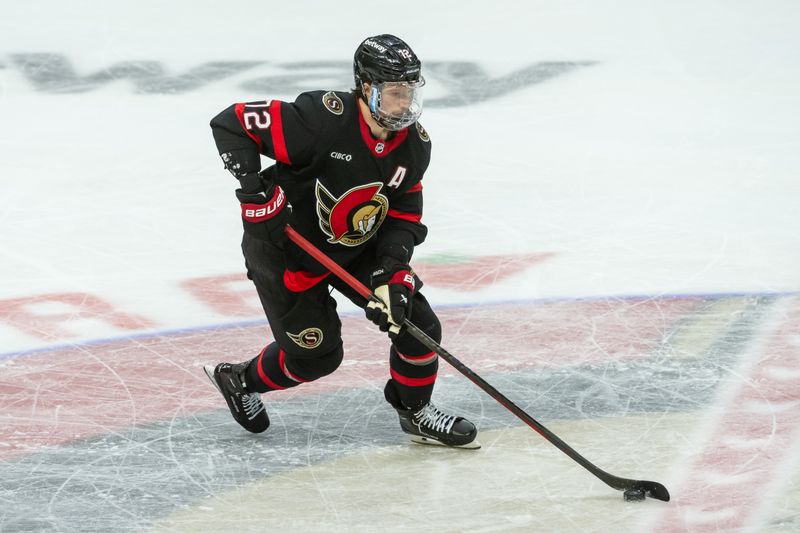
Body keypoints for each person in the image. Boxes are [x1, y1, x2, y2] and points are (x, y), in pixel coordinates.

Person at [204, 34, 479, 449]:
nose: (403, 105)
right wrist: (253, 191)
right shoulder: (322, 119)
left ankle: (415, 411)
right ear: (366, 88)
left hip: (355, 248)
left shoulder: (414, 148)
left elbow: (404, 214)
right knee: (317, 358)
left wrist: (393, 268)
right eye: (392, 94)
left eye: (408, 92)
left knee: (417, 325)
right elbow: (231, 122)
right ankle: (239, 380)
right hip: (286, 250)